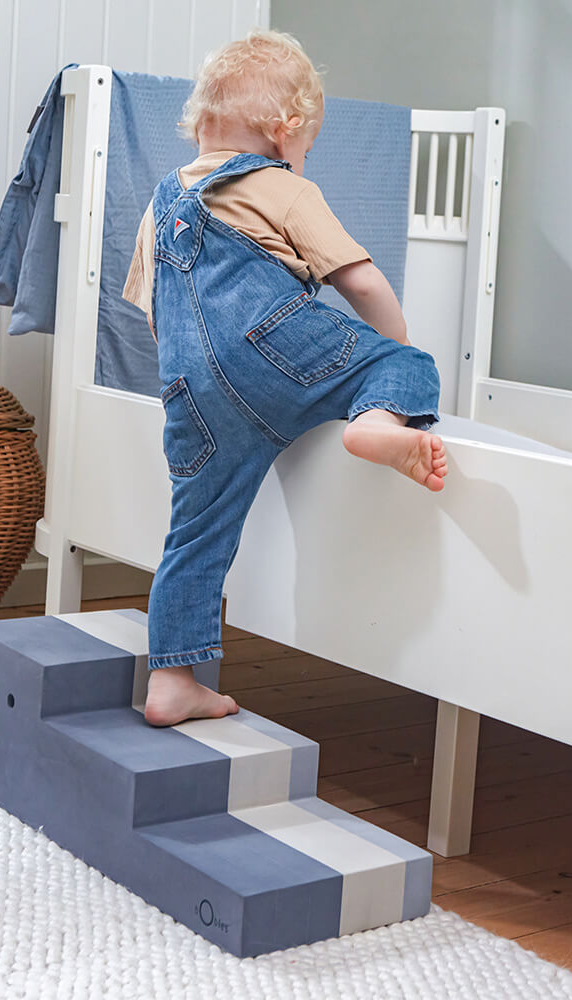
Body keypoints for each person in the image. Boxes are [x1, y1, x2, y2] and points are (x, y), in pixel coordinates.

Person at [123, 29, 447, 727]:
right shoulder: (280, 186)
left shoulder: (158, 204)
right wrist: (388, 356)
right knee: (405, 364)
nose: (306, 158)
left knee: (194, 535)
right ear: (286, 129)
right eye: (308, 145)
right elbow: (361, 282)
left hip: (192, 390)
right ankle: (375, 421)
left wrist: (196, 380)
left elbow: (154, 314)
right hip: (278, 350)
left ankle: (172, 681)